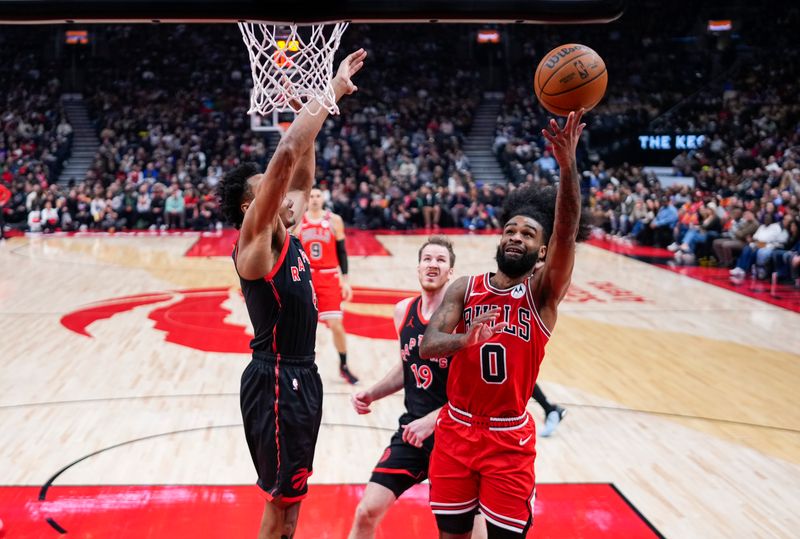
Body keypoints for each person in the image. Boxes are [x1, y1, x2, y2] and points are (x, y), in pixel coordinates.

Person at [216, 49, 366, 539]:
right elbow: (284, 159)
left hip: (302, 375)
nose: (285, 196)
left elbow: (299, 171)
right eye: (269, 192)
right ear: (249, 206)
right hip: (278, 380)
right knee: (279, 504)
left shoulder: (286, 227)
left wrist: (309, 104)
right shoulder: (254, 243)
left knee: (292, 503)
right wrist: (330, 92)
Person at [420, 110, 590, 538]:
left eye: (529, 234)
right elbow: (428, 344)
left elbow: (567, 231)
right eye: (511, 229)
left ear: (542, 250)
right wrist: (465, 338)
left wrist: (567, 165)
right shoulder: (464, 287)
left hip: (508, 439)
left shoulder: (542, 294)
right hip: (455, 428)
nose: (516, 236)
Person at [348, 236, 486, 538]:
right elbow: (407, 366)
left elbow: (479, 392)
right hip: (413, 431)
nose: (432, 265)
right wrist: (372, 392)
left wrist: (433, 420)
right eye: (427, 259)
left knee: (468, 531)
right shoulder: (403, 311)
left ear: (451, 272)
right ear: (418, 267)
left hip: (458, 436)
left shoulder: (464, 321)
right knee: (366, 511)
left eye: (440, 260)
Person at [295, 187, 359, 384]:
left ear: (323, 198)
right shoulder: (298, 222)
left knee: (336, 325)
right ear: (307, 200)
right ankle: (299, 367)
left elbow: (342, 252)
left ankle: (344, 365)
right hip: (307, 277)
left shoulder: (334, 220)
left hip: (329, 277)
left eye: (317, 196)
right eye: (311, 196)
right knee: (302, 326)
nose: (314, 199)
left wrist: (346, 281)